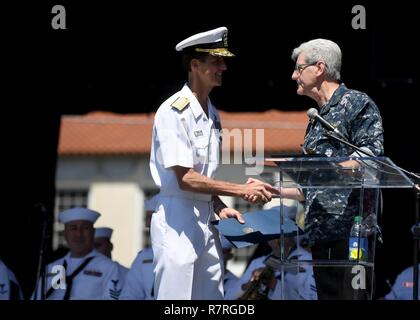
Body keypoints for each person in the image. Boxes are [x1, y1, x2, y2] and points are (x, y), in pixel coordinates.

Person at [149, 26, 277, 299]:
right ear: (195, 64)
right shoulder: (174, 111)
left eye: (224, 60)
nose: (223, 67)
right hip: (177, 221)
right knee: (177, 300)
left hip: (206, 220)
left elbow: (203, 174)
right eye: (216, 61)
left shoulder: (213, 114)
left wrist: (219, 206)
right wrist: (240, 190)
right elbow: (186, 178)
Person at [282, 38, 384, 299]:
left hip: (353, 234)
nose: (294, 75)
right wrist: (273, 190)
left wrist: (331, 169)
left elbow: (371, 158)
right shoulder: (316, 119)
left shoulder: (357, 104)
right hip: (320, 234)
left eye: (299, 68)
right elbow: (313, 188)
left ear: (319, 68)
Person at [32, 207, 124, 300]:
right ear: (65, 234)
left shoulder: (109, 268)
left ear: (93, 233)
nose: (79, 234)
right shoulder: (52, 268)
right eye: (73, 228)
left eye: (85, 228)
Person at [120, 195, 158, 300]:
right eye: (147, 218)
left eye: (151, 218)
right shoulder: (144, 257)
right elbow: (129, 295)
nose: (147, 224)